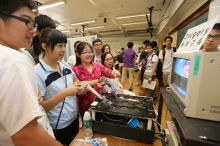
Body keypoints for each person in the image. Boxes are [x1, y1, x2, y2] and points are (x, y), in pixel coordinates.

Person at [0, 0, 63, 145]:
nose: (33, 30)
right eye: (26, 21)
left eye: (33, 23)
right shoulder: (12, 60)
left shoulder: (21, 56)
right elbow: (27, 135)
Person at [33, 28, 83, 145]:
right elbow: (43, 108)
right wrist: (65, 92)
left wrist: (80, 88)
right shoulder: (37, 73)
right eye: (59, 46)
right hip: (58, 125)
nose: (64, 50)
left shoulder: (65, 65)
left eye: (64, 45)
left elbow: (77, 83)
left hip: (74, 118)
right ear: (45, 46)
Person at [73, 42, 120, 117]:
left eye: (90, 52)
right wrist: (96, 81)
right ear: (78, 55)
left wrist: (114, 72)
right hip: (85, 106)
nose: (88, 54)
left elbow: (109, 72)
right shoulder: (75, 70)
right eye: (85, 52)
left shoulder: (97, 65)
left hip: (100, 103)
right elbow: (79, 84)